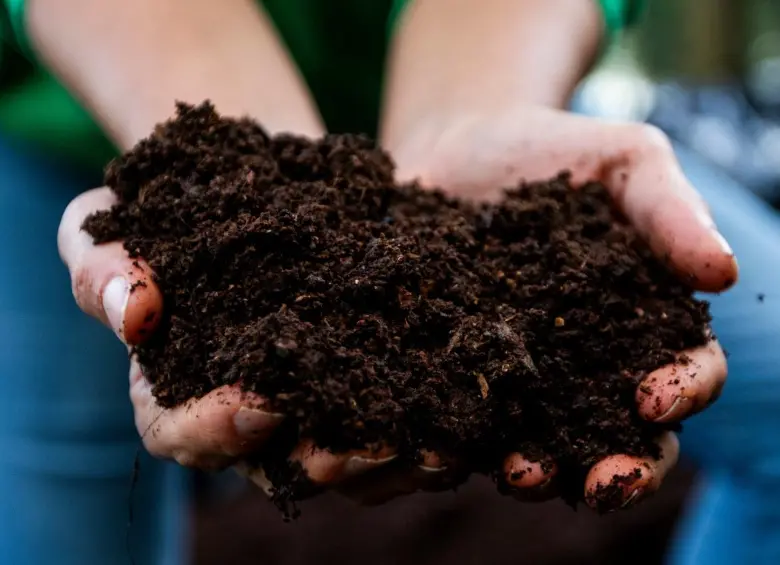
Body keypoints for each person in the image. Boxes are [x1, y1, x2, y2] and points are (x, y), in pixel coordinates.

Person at [0, 1, 734, 563]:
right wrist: (224, 163)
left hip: (493, 106)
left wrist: (473, 107)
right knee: (74, 511)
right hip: (97, 112)